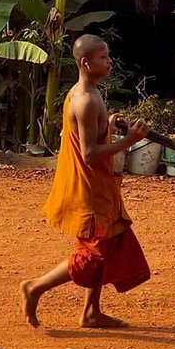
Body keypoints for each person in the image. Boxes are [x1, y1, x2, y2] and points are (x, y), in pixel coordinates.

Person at [20, 34, 150, 329]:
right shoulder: (86, 101)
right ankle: (34, 287)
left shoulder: (89, 92)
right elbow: (89, 154)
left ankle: (91, 311)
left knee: (108, 246)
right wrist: (129, 140)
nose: (109, 61)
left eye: (108, 55)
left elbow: (91, 135)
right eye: (103, 57)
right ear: (85, 62)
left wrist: (109, 124)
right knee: (92, 256)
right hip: (89, 190)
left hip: (101, 187)